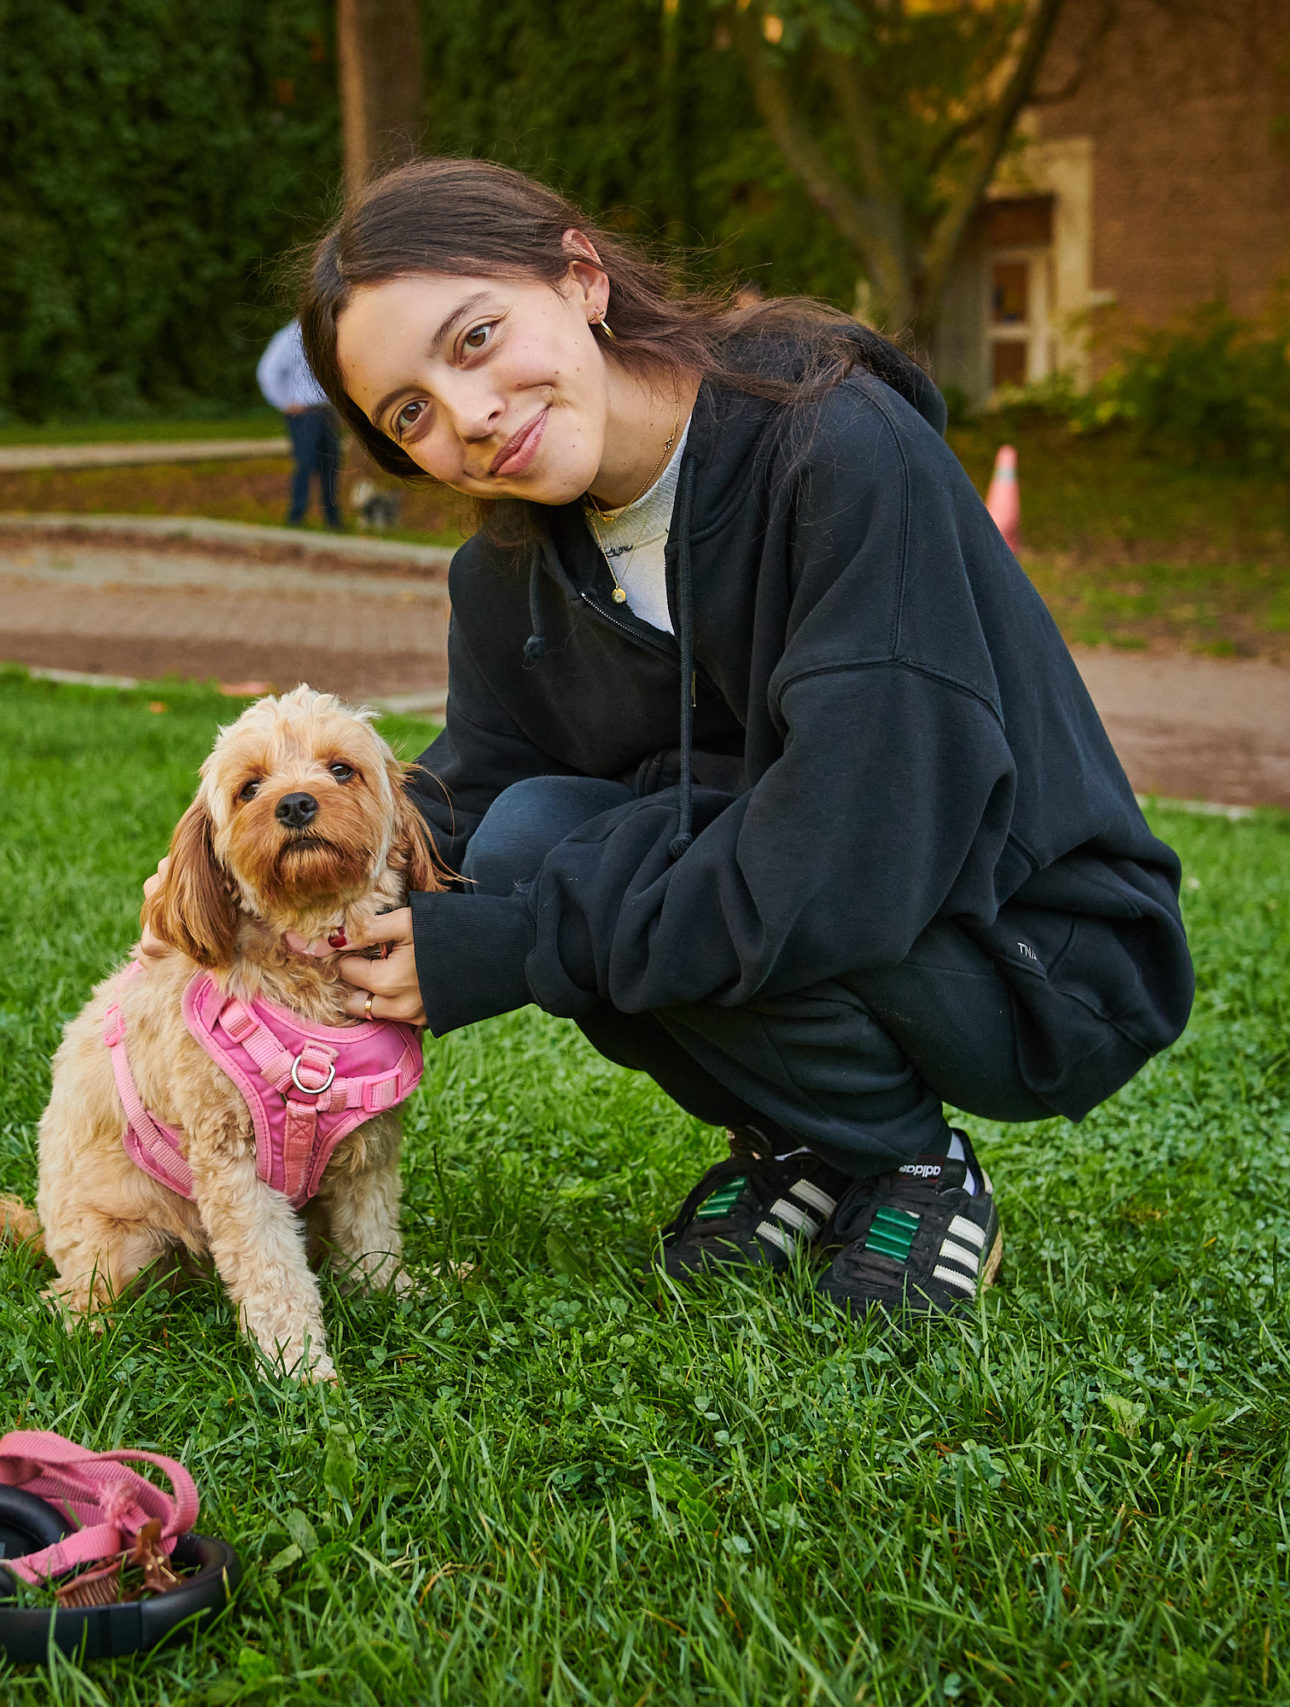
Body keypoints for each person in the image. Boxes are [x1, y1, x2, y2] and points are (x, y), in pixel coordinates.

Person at [287, 159, 1192, 1316]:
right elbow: (472, 800)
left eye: (474, 338)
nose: (468, 418)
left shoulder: (840, 453)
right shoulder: (507, 570)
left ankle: (915, 1162)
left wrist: (517, 944)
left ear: (580, 277)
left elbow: (854, 853)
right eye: (408, 412)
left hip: (1023, 946)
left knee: (559, 883)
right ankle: (802, 1143)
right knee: (521, 840)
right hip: (834, 903)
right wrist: (285, 896)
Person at [258, 318, 343, 528]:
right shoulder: (289, 338)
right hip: (304, 413)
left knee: (331, 463)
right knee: (305, 462)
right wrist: (285, 402)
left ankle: (332, 519)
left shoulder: (328, 334)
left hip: (326, 410)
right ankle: (296, 515)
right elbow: (267, 371)